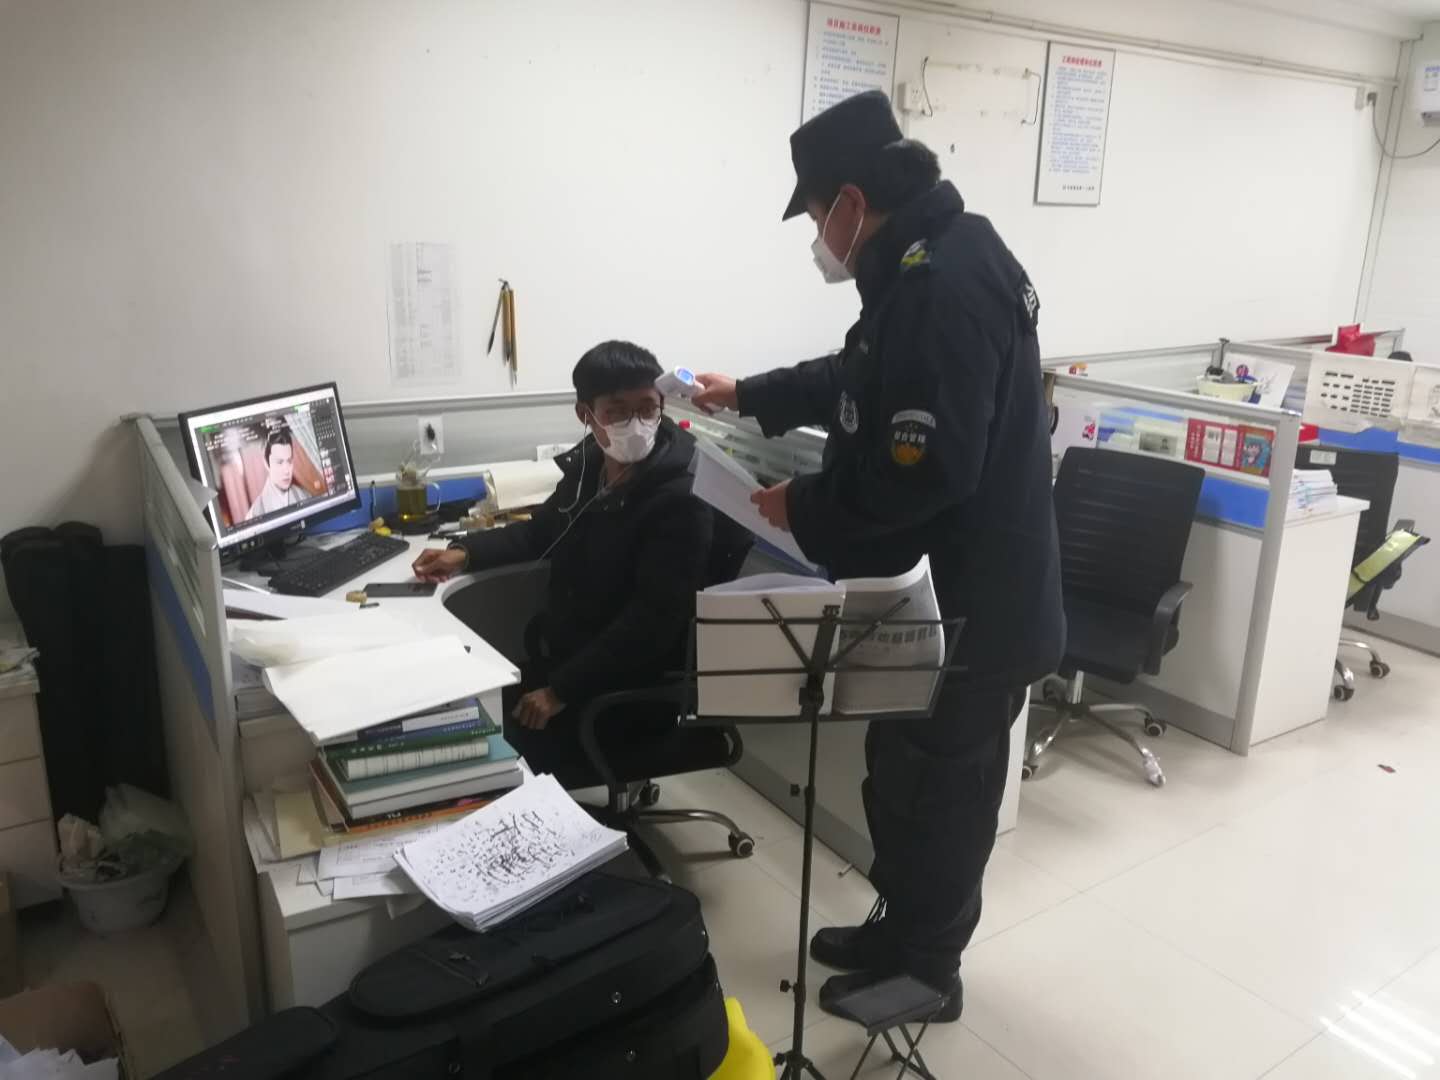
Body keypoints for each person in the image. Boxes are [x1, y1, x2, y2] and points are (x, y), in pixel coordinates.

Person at [691, 90, 1065, 1021]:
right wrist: (750, 394)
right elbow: (858, 375)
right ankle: (900, 928)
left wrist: (803, 506)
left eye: (817, 215)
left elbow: (927, 469)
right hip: (922, 596)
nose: (818, 237)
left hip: (975, 605)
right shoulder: (924, 261)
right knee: (899, 777)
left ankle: (929, 971)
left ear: (854, 202)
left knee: (944, 793)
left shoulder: (943, 284)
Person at [412, 340, 715, 782]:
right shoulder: (591, 468)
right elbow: (542, 532)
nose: (635, 424)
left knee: (478, 746)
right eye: (617, 411)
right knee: (460, 711)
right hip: (572, 663)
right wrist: (465, 553)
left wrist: (559, 691)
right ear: (585, 414)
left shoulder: (682, 497)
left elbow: (651, 624)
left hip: (623, 694)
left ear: (662, 405)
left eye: (647, 408)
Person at [245, 426, 306, 520]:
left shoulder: (303, 495)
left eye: (289, 461)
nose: (286, 470)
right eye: (279, 462)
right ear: (266, 464)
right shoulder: (254, 515)